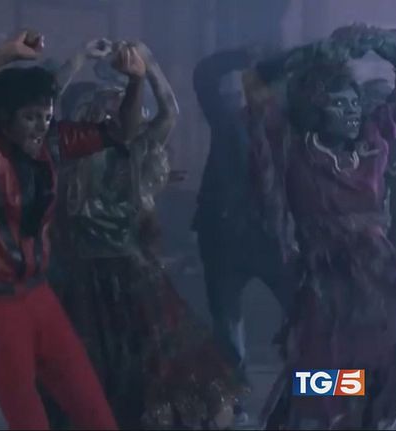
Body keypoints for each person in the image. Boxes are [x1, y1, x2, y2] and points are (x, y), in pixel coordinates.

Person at [0, 30, 147, 430]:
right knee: (27, 417)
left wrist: (136, 81)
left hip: (38, 293)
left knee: (94, 410)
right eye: (30, 117)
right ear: (4, 118)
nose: (40, 127)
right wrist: (4, 55)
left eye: (45, 117)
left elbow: (122, 132)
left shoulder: (51, 144)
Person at [48, 40, 246, 429]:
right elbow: (48, 111)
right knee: (110, 361)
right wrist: (144, 66)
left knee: (137, 360)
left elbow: (168, 112)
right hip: (102, 274)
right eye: (110, 108)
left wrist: (95, 60)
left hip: (117, 272)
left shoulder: (123, 153)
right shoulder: (80, 153)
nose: (119, 115)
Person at [246, 24, 396, 429]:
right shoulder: (294, 149)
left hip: (381, 280)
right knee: (318, 383)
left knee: (389, 369)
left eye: (355, 102)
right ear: (314, 108)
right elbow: (256, 82)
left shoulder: (375, 139)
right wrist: (317, 51)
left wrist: (378, 42)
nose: (352, 111)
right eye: (339, 104)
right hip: (326, 286)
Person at [192, 47, 294, 387]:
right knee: (227, 322)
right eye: (255, 85)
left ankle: (316, 388)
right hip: (226, 238)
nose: (261, 94)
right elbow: (204, 78)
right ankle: (234, 398)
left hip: (273, 237)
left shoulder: (290, 130)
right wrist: (238, 57)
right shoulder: (229, 122)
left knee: (305, 310)